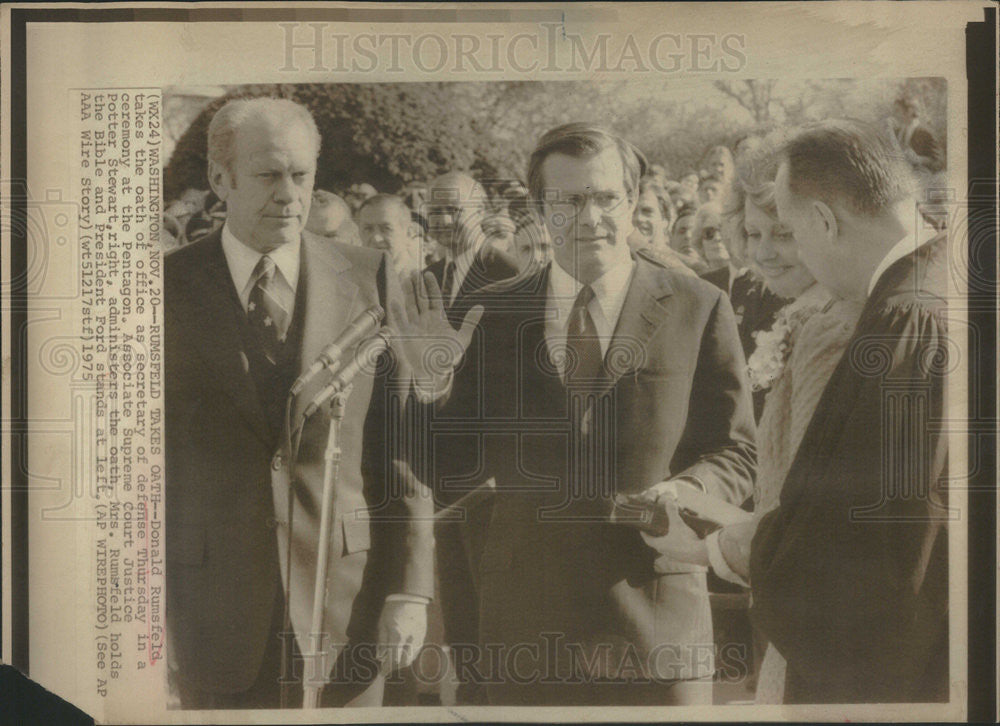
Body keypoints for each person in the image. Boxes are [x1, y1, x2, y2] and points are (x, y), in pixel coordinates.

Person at [428, 123, 756, 705]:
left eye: (607, 197)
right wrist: (424, 392)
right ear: (539, 209)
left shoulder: (698, 306)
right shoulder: (493, 312)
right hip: (524, 626)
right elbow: (452, 466)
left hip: (657, 620)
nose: (591, 217)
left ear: (631, 201)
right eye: (569, 201)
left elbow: (738, 449)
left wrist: (688, 490)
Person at [164, 97, 461, 709]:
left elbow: (399, 446)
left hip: (346, 607)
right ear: (221, 179)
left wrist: (410, 589)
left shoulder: (369, 276)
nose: (289, 195)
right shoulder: (162, 289)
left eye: (302, 175)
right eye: (269, 175)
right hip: (211, 615)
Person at [647, 119, 950, 704]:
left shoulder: (903, 318)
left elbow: (863, 539)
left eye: (791, 232)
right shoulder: (935, 286)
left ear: (825, 221)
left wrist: (718, 546)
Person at [420, 170, 519, 704]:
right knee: (457, 601)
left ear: (481, 210)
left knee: (490, 604)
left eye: (452, 211)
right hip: (443, 466)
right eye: (432, 211)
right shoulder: (433, 275)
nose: (440, 222)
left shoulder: (509, 272)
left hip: (490, 472)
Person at [357, 193, 421, 274]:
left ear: (409, 233)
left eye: (386, 229)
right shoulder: (355, 277)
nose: (376, 239)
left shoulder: (419, 280)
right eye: (368, 229)